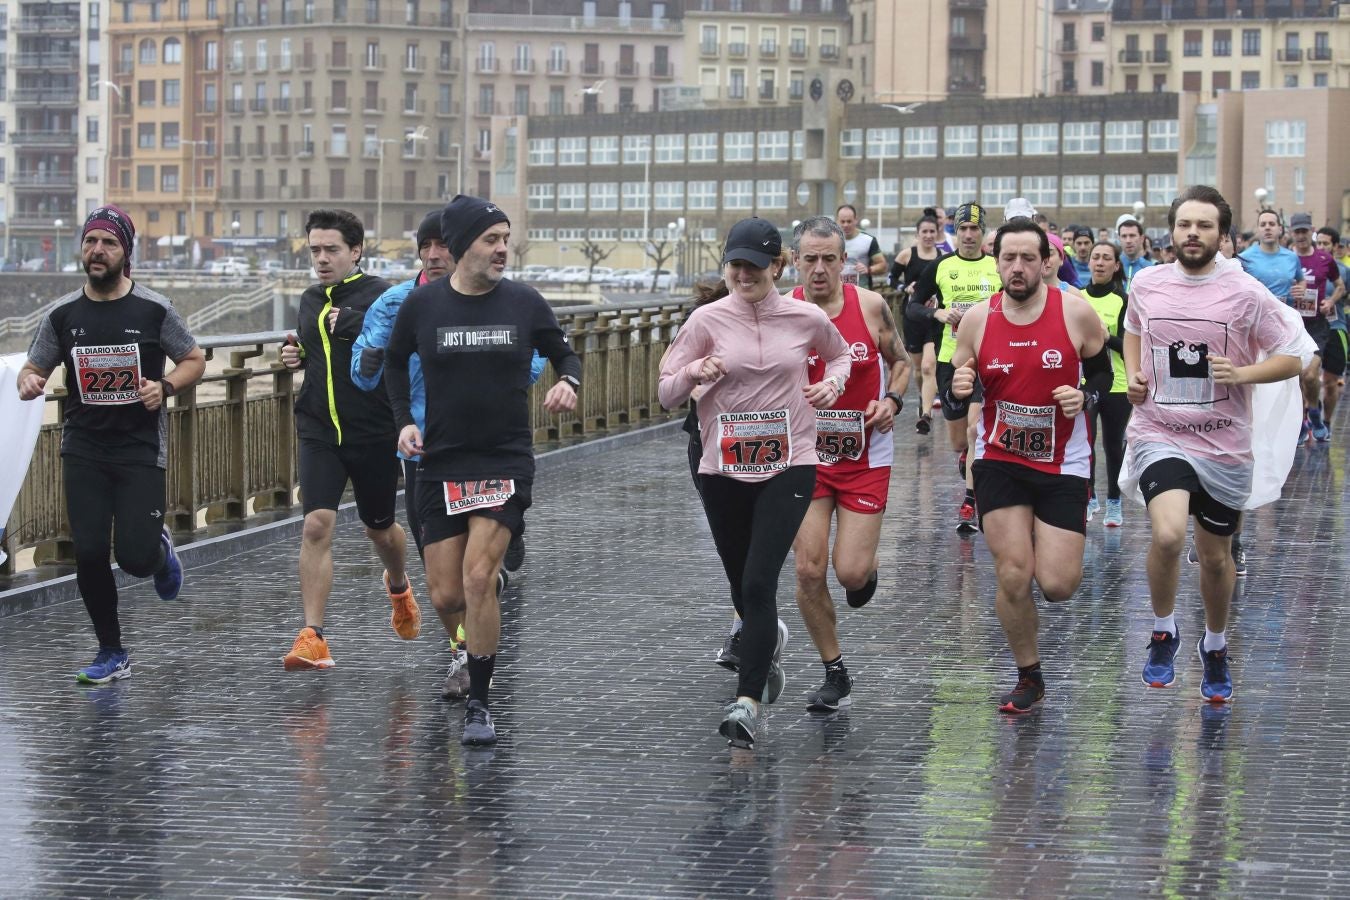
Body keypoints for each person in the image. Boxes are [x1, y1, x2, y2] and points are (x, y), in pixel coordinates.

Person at [385, 195, 580, 746]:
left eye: (505, 239)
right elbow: (396, 362)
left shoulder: (524, 302)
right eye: (491, 240)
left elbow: (565, 354)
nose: (502, 249)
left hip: (503, 459)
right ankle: (473, 628)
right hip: (441, 459)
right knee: (447, 595)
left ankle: (479, 703)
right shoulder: (423, 308)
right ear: (463, 244)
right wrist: (403, 421)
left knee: (474, 579)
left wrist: (569, 381)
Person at [659, 217, 851, 748]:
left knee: (761, 582)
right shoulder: (705, 320)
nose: (743, 274)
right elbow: (666, 393)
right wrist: (695, 374)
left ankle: (745, 704)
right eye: (735, 264)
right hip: (722, 467)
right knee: (742, 588)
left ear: (776, 267)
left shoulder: (804, 316)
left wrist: (832, 383)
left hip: (790, 461)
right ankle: (763, 661)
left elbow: (840, 356)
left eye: (754, 265)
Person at [1123, 186, 1310, 703]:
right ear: (1172, 231)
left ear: (1222, 236)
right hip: (1159, 432)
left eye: (1204, 226)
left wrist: (1244, 371)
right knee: (1166, 535)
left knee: (1215, 558)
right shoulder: (1148, 283)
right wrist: (1136, 374)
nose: (1193, 234)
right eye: (1185, 224)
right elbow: (1133, 328)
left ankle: (1215, 644)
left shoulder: (1246, 293)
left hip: (1224, 443)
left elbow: (1294, 357)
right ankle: (1163, 631)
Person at [16, 205, 205, 682]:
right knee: (89, 552)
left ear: (126, 252)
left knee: (135, 559)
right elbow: (35, 366)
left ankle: (159, 552)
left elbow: (194, 359)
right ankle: (111, 650)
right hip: (83, 449)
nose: (97, 251)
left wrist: (164, 387)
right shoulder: (63, 316)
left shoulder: (153, 309)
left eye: (109, 243)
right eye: (90, 242)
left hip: (140, 450)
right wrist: (28, 380)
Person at [947, 218, 1110, 713]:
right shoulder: (978, 317)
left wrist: (1085, 396)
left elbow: (1104, 371)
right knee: (1014, 574)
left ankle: (1046, 536)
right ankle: (1028, 674)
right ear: (997, 263)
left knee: (1058, 585)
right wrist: (961, 387)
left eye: (1027, 259)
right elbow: (961, 375)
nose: (1016, 268)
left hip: (1064, 462)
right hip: (1000, 459)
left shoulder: (1075, 313)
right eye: (1008, 258)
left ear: (1046, 262)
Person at [279, 209, 415, 671]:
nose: (321, 258)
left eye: (331, 249)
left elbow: (404, 347)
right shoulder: (309, 299)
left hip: (373, 431)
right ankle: (312, 635)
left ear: (356, 251)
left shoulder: (383, 297)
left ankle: (398, 585)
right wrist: (293, 355)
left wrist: (357, 324)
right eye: (314, 249)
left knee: (379, 528)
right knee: (316, 524)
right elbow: (309, 346)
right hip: (319, 427)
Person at [788, 217, 910, 713]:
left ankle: (866, 571)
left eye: (829, 259)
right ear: (794, 262)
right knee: (808, 569)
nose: (819, 269)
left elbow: (900, 362)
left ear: (846, 262)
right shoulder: (781, 311)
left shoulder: (871, 306)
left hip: (865, 455)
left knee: (850, 574)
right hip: (804, 457)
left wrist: (894, 402)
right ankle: (833, 669)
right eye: (809, 259)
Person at [906, 202, 1002, 532]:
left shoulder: (997, 264)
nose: (969, 234)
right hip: (952, 358)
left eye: (975, 229)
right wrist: (939, 314)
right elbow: (913, 306)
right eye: (963, 229)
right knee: (960, 440)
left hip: (988, 359)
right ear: (955, 232)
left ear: (983, 232)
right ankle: (966, 458)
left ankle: (970, 502)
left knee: (977, 429)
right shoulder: (943, 266)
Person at [1081, 241, 1131, 527]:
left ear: (1115, 266)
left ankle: (1114, 501)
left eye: (1106, 259)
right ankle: (1089, 498)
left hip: (1118, 383)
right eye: (1095, 257)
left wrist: (1104, 336)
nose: (1099, 263)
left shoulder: (1123, 300)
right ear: (1089, 262)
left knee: (1113, 446)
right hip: (1086, 382)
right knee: (1085, 443)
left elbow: (1129, 346)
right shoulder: (1078, 298)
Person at [1289, 212, 1343, 442]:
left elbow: (1339, 286)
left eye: (1305, 231)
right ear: (1291, 233)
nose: (1301, 236)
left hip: (1317, 326)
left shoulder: (1324, 259)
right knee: (1296, 378)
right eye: (1297, 231)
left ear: (1312, 231)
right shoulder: (1285, 259)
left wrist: (1330, 301)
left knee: (1310, 374)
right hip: (1291, 325)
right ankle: (1302, 420)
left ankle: (1313, 411)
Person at [891, 215, 942, 432]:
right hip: (912, 316)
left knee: (929, 366)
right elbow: (891, 279)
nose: (929, 236)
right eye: (925, 232)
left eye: (932, 232)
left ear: (937, 234)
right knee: (919, 371)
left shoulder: (943, 257)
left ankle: (926, 412)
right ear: (917, 234)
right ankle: (923, 396)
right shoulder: (907, 254)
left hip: (934, 318)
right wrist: (906, 288)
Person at [1316, 227, 1349, 425]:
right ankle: (1309, 418)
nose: (1321, 247)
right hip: (1311, 329)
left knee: (1330, 382)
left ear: (1335, 246)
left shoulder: (1343, 271)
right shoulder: (1305, 266)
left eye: (1325, 244)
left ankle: (1327, 422)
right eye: (1318, 243)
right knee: (1308, 377)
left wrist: (1334, 302)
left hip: (1336, 327)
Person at [835, 204, 886, 289]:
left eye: (849, 221)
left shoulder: (868, 240)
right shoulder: (830, 240)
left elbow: (883, 266)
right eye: (842, 221)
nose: (846, 225)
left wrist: (868, 269)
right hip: (836, 291)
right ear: (837, 221)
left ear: (855, 220)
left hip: (861, 291)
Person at [1116, 216, 1153, 291]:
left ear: (1142, 239)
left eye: (1132, 235)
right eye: (1124, 236)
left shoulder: (1151, 268)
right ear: (1119, 239)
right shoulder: (1112, 267)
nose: (1128, 240)